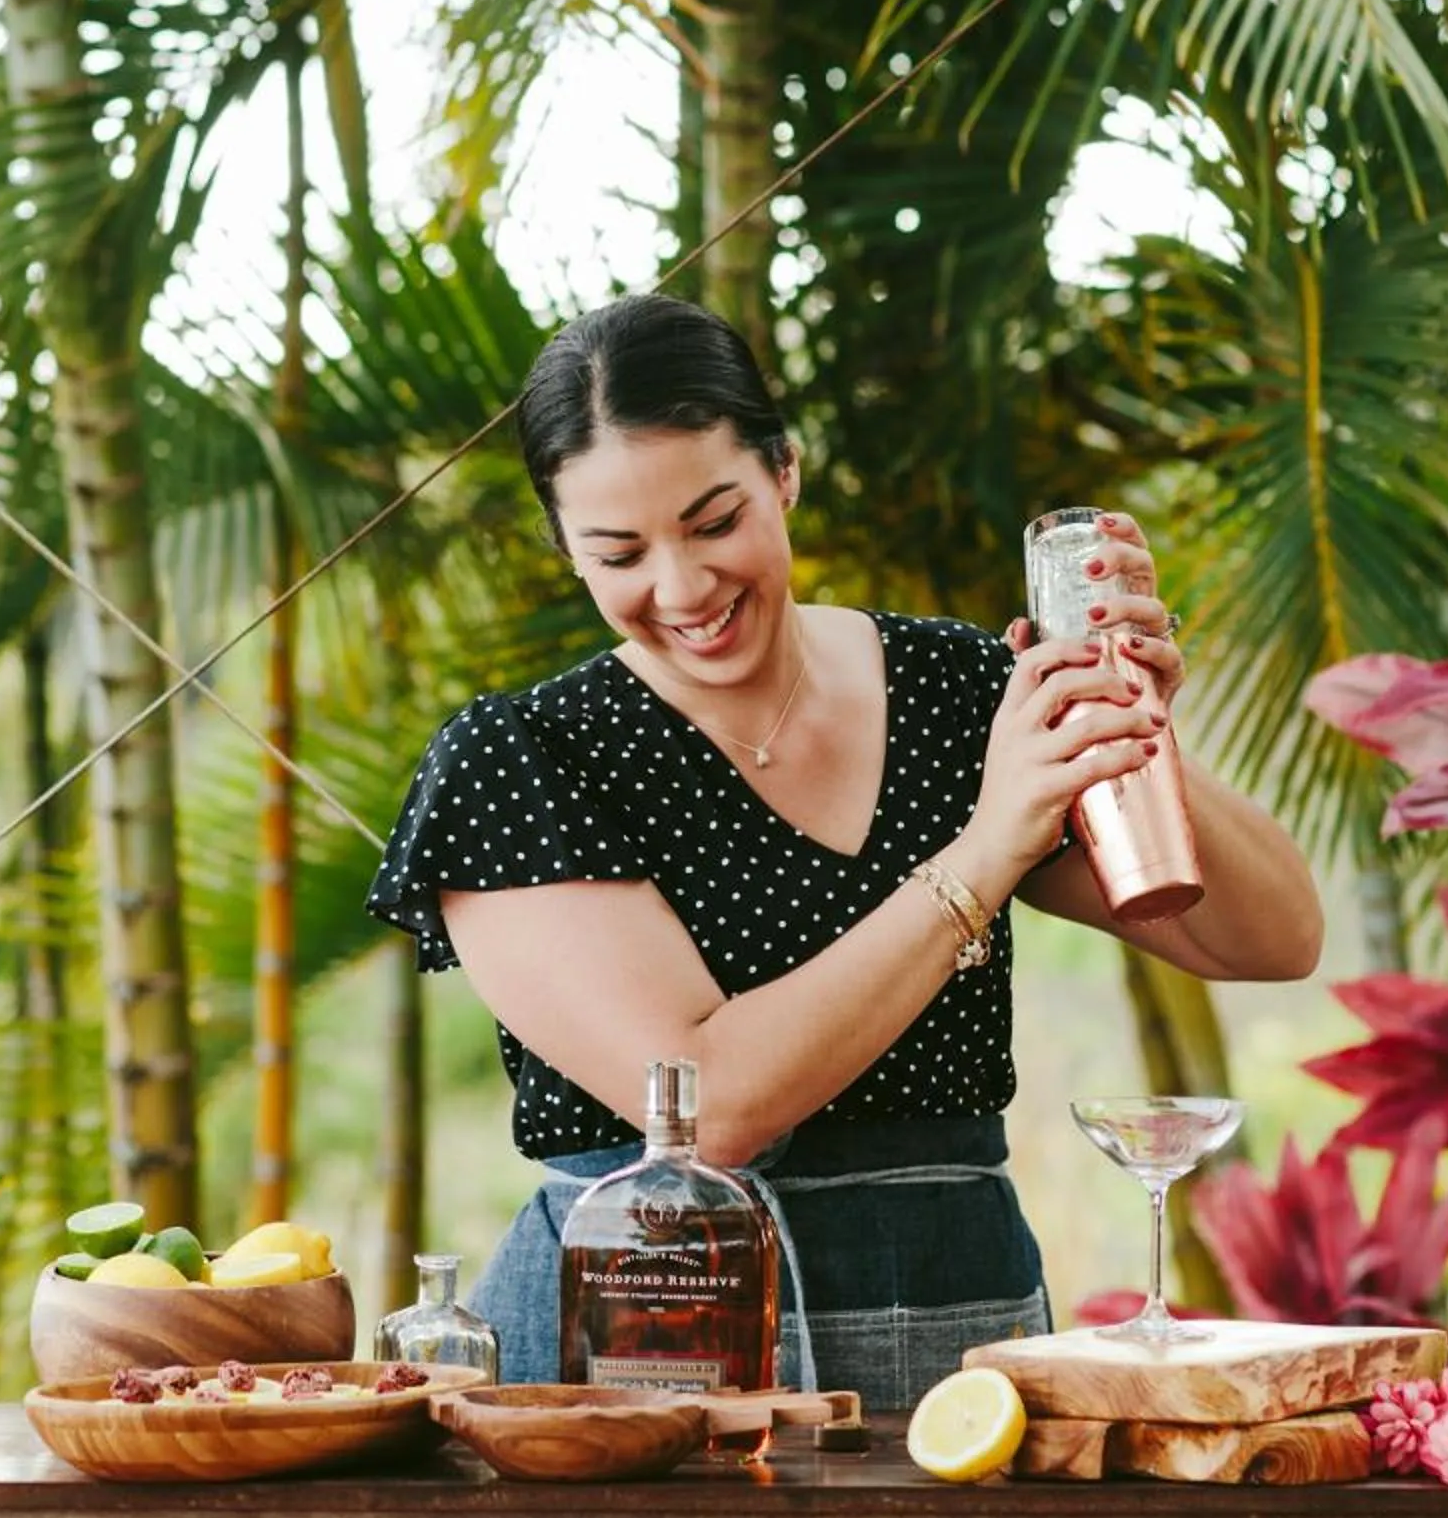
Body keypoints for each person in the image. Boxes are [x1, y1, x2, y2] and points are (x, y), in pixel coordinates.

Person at [364, 293, 1322, 1410]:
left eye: (715, 520)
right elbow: (708, 1109)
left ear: (785, 471)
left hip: (951, 1323)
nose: (681, 588)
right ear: (565, 546)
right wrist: (983, 852)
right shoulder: (519, 760)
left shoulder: (955, 693)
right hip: (639, 1350)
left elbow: (1274, 937)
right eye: (618, 552)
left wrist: (1130, 728)